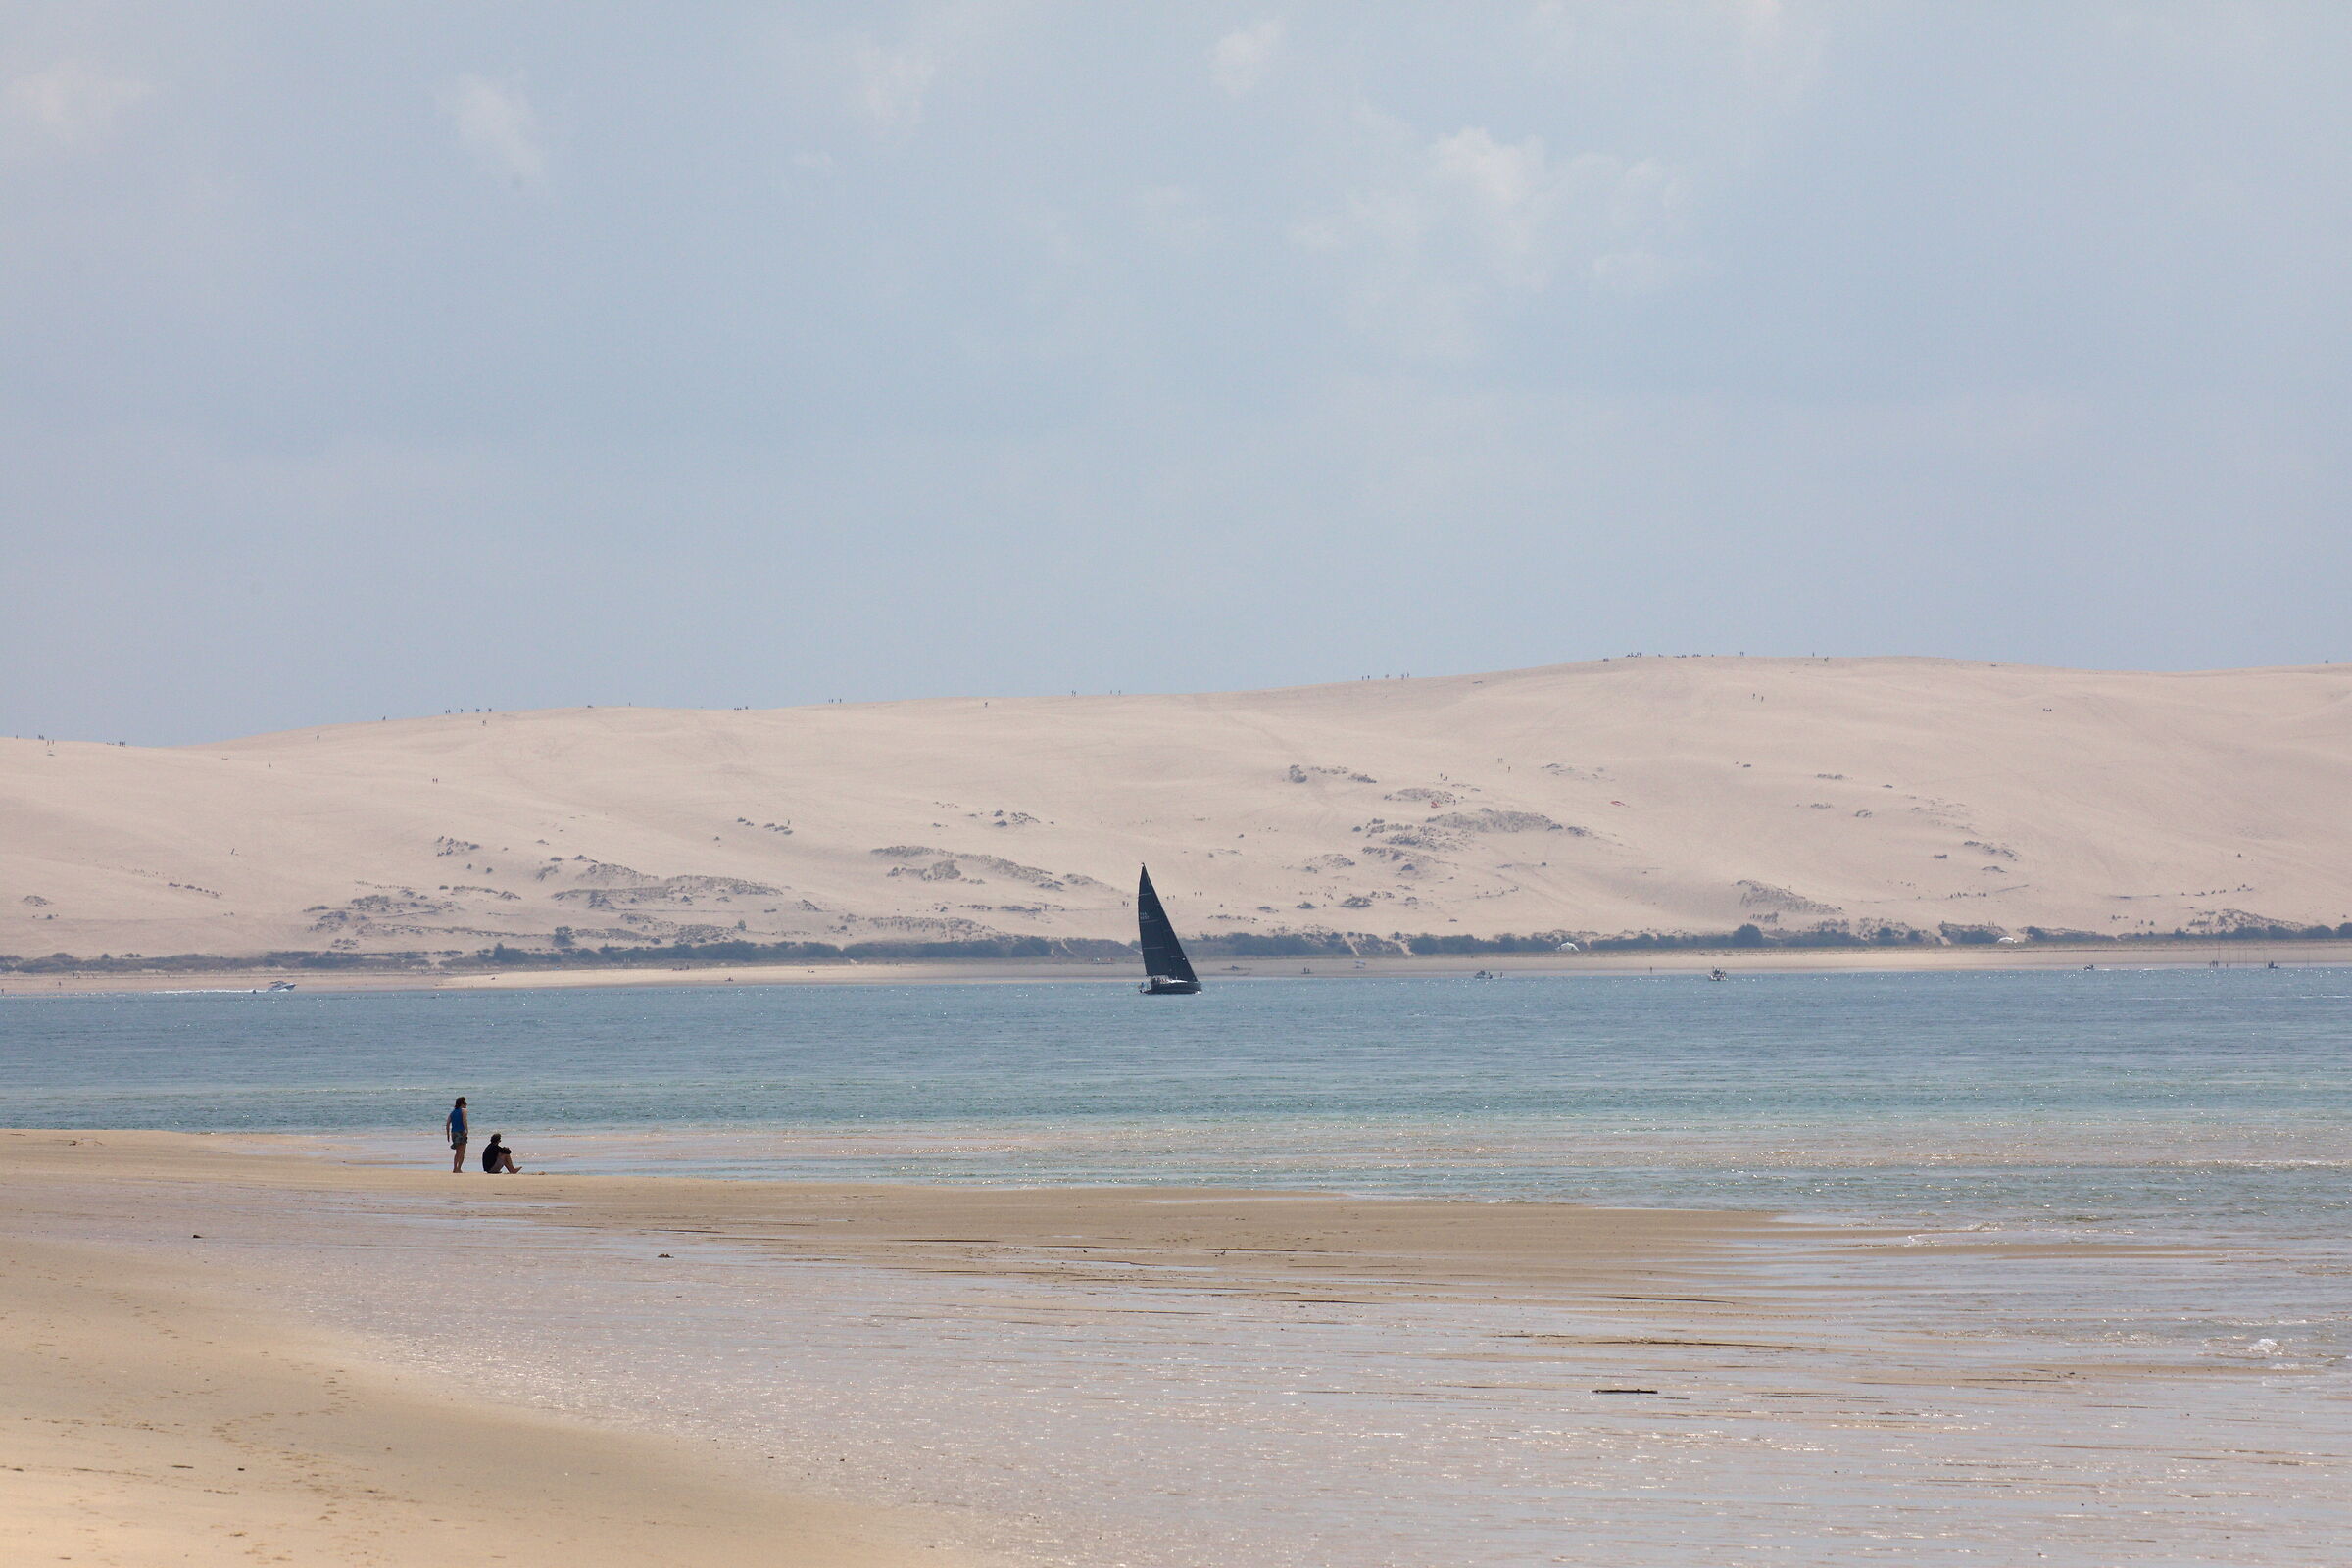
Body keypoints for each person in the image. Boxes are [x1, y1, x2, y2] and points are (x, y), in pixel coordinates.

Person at [445, 1097, 468, 1173]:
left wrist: (448, 1135)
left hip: (453, 1133)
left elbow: (448, 1123)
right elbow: (464, 1120)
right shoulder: (463, 1111)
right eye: (465, 1104)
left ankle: (455, 1168)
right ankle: (458, 1168)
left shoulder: (452, 1112)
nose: (466, 1105)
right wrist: (466, 1129)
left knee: (457, 1152)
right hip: (461, 1132)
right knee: (462, 1152)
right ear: (462, 1104)